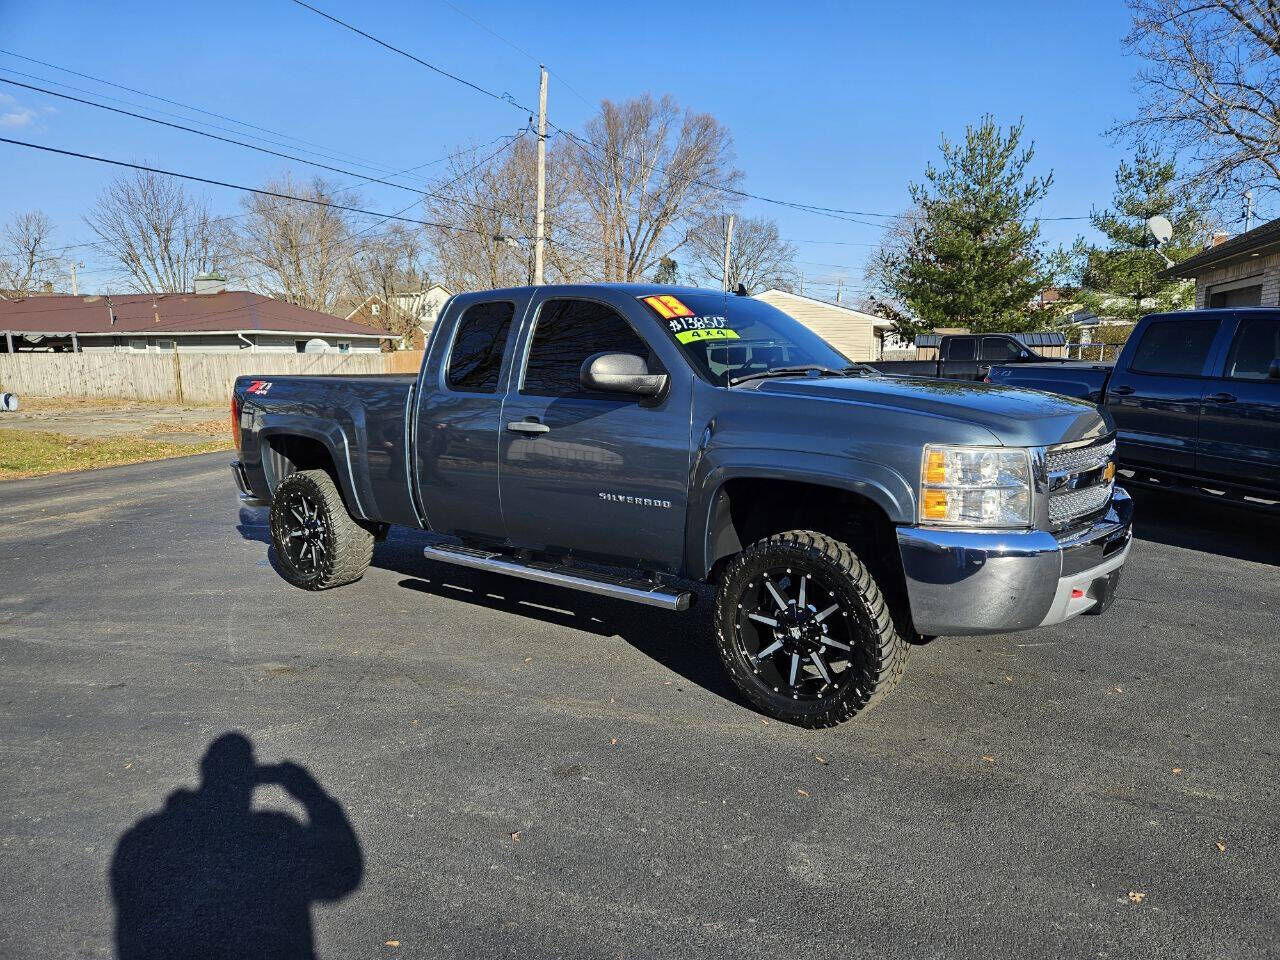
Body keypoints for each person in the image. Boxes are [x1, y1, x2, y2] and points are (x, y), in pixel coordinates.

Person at [110, 732, 363, 960]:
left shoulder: (144, 836)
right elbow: (342, 876)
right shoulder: (276, 831)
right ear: (252, 777)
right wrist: (311, 794)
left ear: (205, 769)